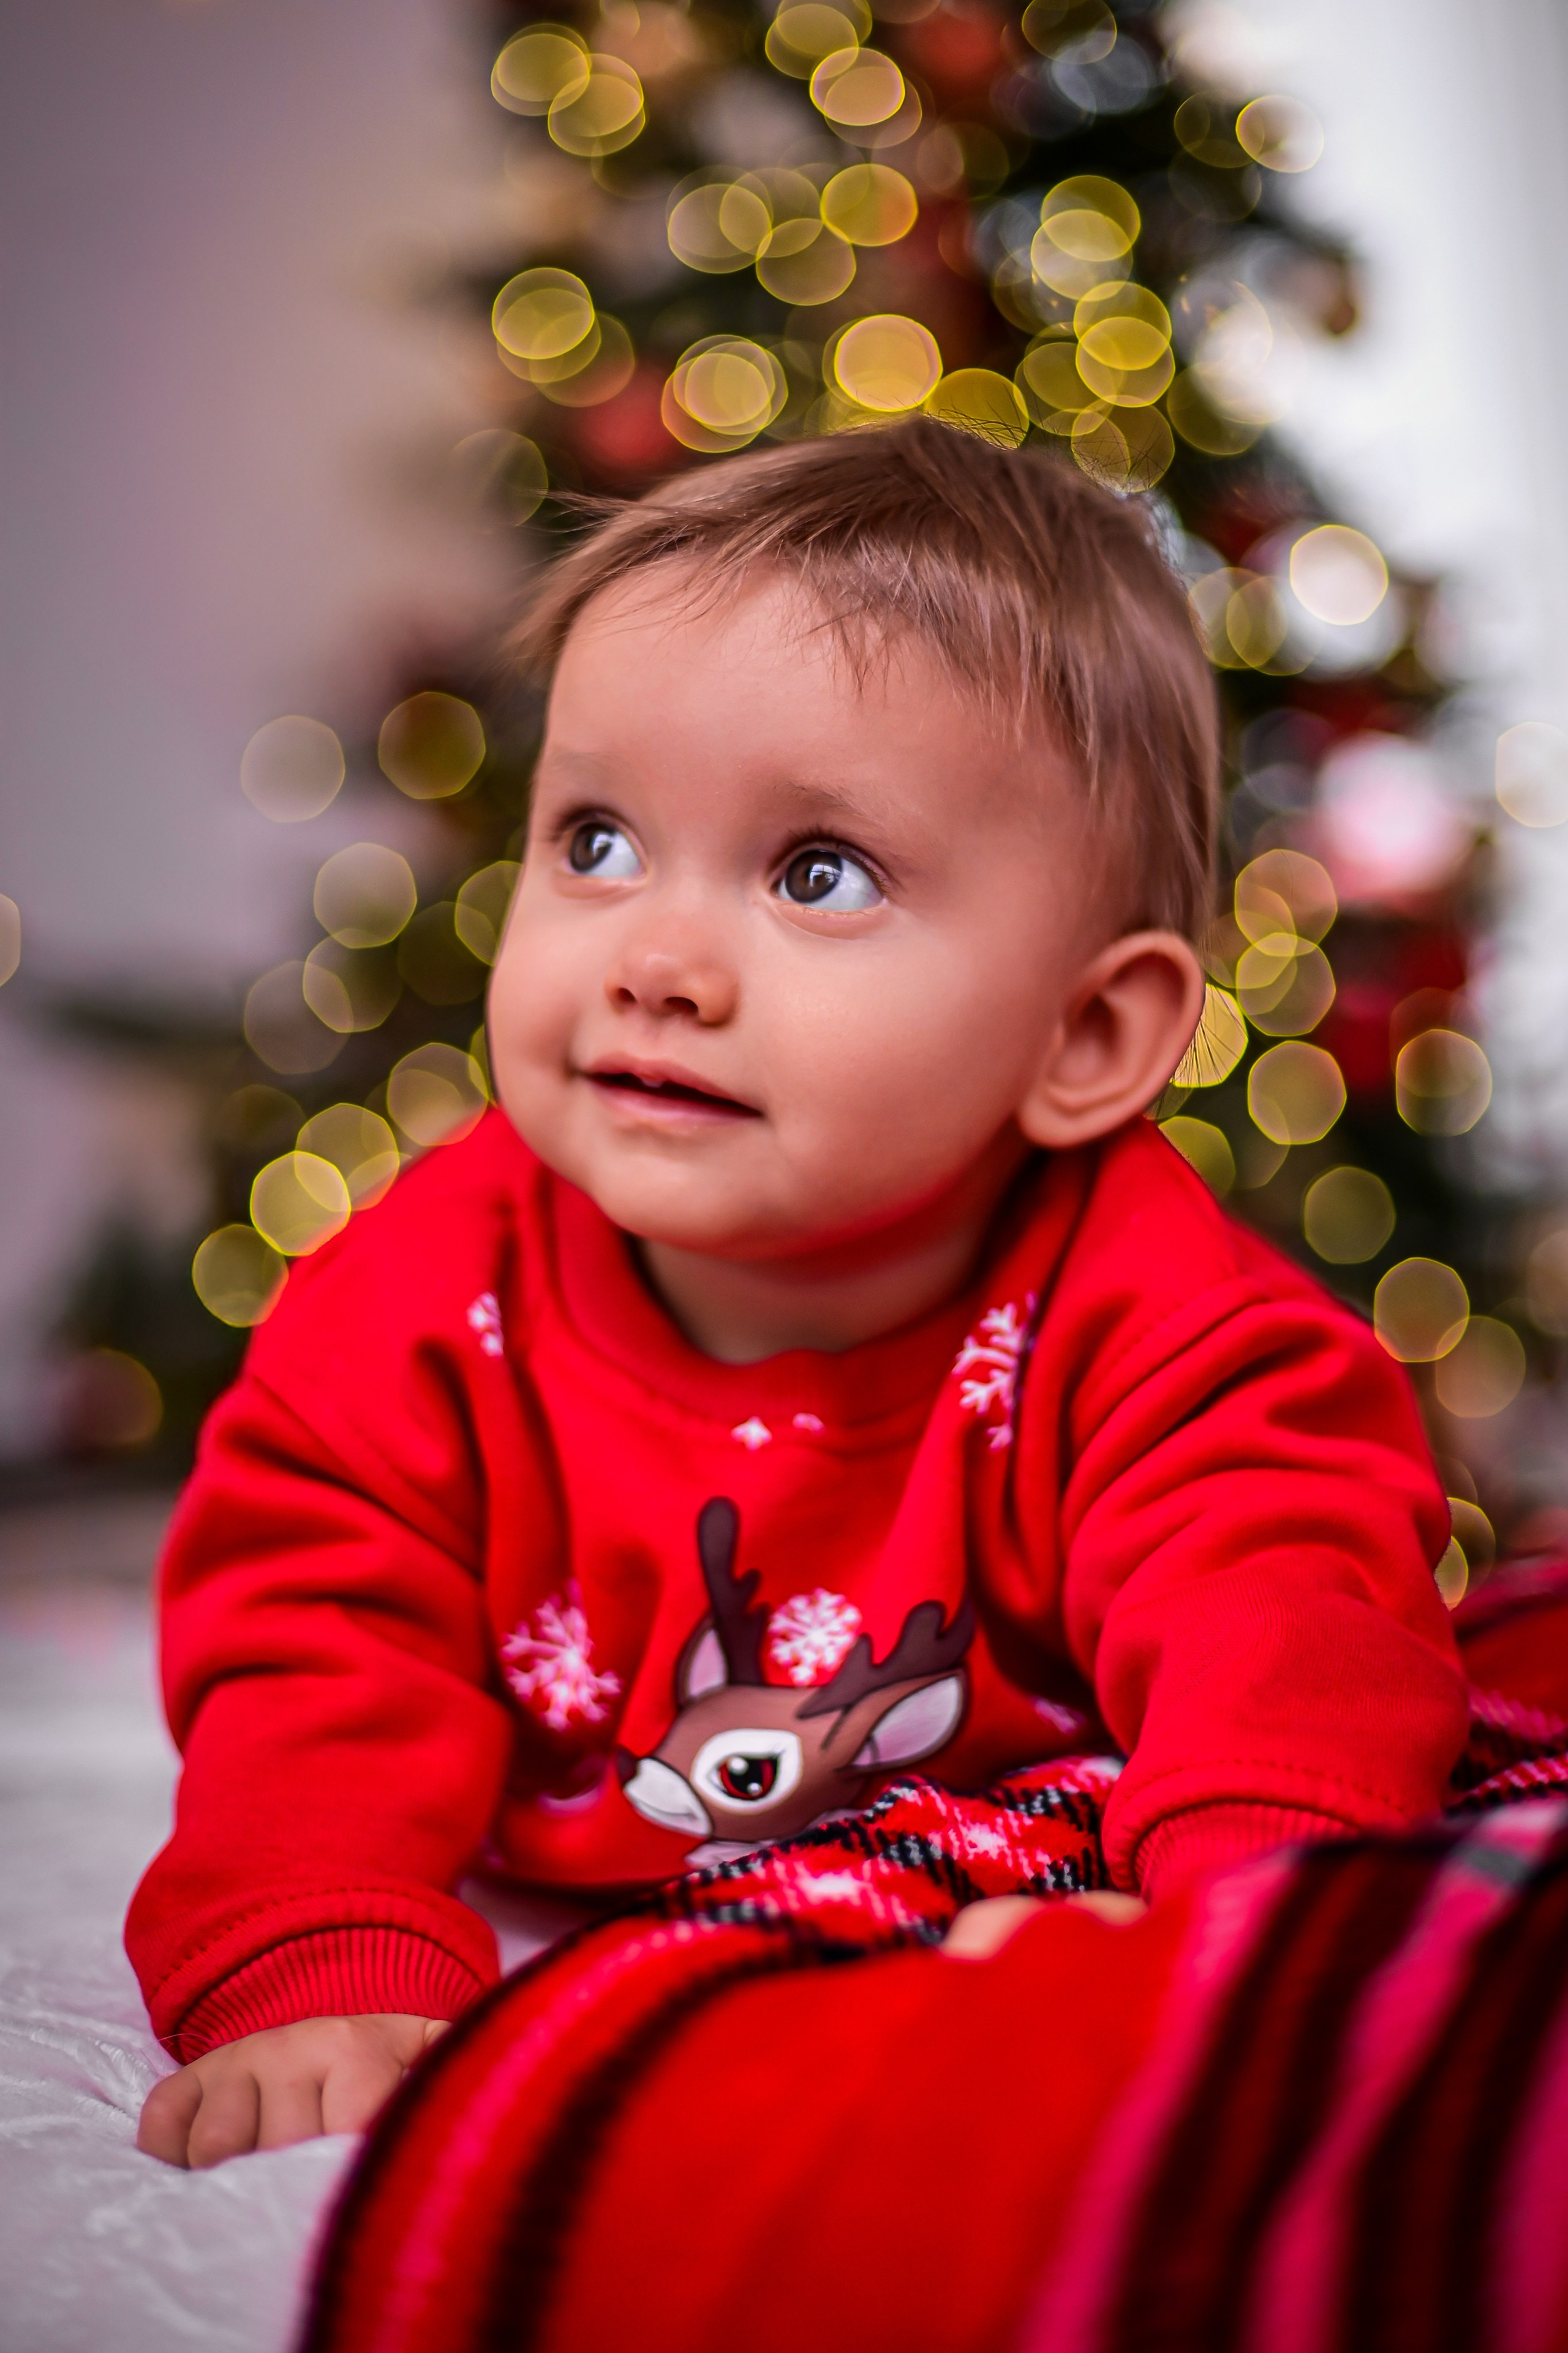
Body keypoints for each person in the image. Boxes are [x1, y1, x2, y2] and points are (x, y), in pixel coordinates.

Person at [130, 419, 1467, 2170]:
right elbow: (311, 1642)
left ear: (1087, 1034)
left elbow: (1287, 1609)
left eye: (816, 870)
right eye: (596, 841)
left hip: (986, 1893)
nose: (656, 963)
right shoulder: (419, 1305)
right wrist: (321, 1946)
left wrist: (1243, 1916)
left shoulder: (1161, 1327)